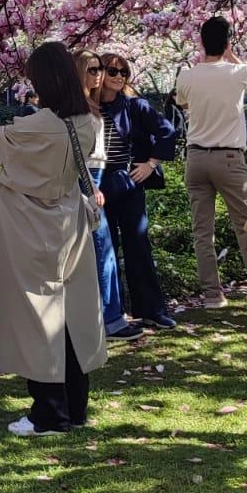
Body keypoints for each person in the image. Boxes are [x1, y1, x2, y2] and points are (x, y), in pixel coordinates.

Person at [0, 43, 108, 437]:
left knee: (39, 321)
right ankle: (74, 406)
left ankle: (49, 413)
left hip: (27, 228)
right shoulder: (85, 122)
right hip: (68, 225)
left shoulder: (35, 126)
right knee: (71, 319)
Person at [175, 17, 247, 312]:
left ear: (200, 42)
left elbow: (184, 103)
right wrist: (231, 54)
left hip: (195, 158)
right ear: (228, 42)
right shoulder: (239, 72)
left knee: (202, 231)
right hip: (229, 158)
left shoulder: (187, 76)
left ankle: (212, 294)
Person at [97, 52, 179, 331]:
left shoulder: (135, 106)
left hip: (128, 181)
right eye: (112, 71)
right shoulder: (87, 106)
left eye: (123, 72)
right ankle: (112, 315)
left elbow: (168, 131)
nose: (118, 77)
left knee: (138, 244)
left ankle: (151, 310)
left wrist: (150, 164)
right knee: (105, 249)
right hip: (97, 184)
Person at [73, 49, 142, 341]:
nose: (99, 74)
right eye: (92, 69)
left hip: (97, 174)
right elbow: (76, 152)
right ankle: (109, 319)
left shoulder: (91, 103)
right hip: (90, 178)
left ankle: (112, 316)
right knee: (102, 249)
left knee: (106, 248)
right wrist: (92, 186)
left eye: (100, 68)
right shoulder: (76, 107)